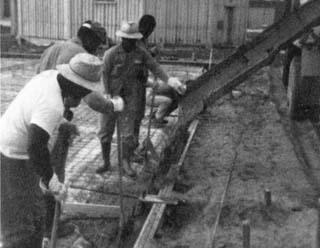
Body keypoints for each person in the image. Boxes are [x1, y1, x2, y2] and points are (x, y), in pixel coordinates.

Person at [0, 53, 124, 248]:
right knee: (20, 227)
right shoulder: (52, 104)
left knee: (36, 214)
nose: (83, 98)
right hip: (11, 157)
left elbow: (36, 116)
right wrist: (51, 180)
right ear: (77, 86)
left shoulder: (50, 77)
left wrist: (63, 123)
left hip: (17, 149)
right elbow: (36, 146)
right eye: (84, 92)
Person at [95, 21, 186, 176]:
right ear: (121, 39)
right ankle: (105, 161)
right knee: (105, 129)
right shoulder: (111, 53)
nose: (129, 43)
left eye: (132, 40)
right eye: (126, 39)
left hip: (131, 97)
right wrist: (107, 94)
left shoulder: (141, 53)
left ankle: (125, 162)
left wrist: (170, 80)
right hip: (112, 96)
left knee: (128, 133)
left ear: (136, 40)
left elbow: (155, 67)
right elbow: (103, 73)